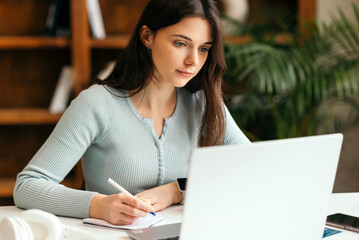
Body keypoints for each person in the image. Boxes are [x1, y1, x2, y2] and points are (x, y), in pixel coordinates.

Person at [13, 0, 250, 225]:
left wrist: (176, 190)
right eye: (181, 43)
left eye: (204, 48)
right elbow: (27, 186)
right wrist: (98, 205)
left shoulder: (203, 104)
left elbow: (252, 168)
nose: (193, 60)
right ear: (148, 37)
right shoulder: (97, 104)